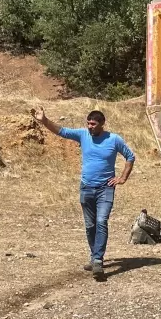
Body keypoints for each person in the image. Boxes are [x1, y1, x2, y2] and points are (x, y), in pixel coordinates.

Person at [32, 107, 135, 275]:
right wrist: (44, 120)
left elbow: (130, 156)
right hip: (86, 187)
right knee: (90, 225)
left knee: (101, 221)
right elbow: (62, 131)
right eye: (88, 123)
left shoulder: (114, 139)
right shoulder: (83, 135)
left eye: (93, 124)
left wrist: (123, 178)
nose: (89, 127)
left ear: (102, 123)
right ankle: (94, 256)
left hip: (105, 188)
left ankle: (98, 260)